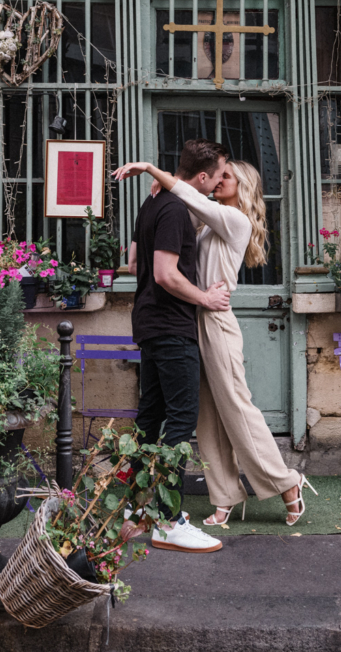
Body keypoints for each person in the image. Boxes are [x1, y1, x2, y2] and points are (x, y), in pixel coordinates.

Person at [113, 157, 312, 526]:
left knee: (236, 406)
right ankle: (224, 496)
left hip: (216, 320)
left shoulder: (235, 219)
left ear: (244, 187)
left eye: (228, 177)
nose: (220, 180)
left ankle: (287, 481)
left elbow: (195, 198)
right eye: (220, 174)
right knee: (205, 415)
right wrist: (162, 190)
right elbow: (181, 215)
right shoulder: (209, 222)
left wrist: (156, 173)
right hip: (192, 317)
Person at [127, 138, 231, 553]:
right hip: (172, 326)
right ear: (201, 177)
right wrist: (206, 297)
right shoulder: (173, 209)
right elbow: (165, 274)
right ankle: (168, 521)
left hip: (149, 322)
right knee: (181, 420)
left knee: (150, 418)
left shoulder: (153, 203)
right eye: (220, 174)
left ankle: (140, 509)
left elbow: (133, 261)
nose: (222, 181)